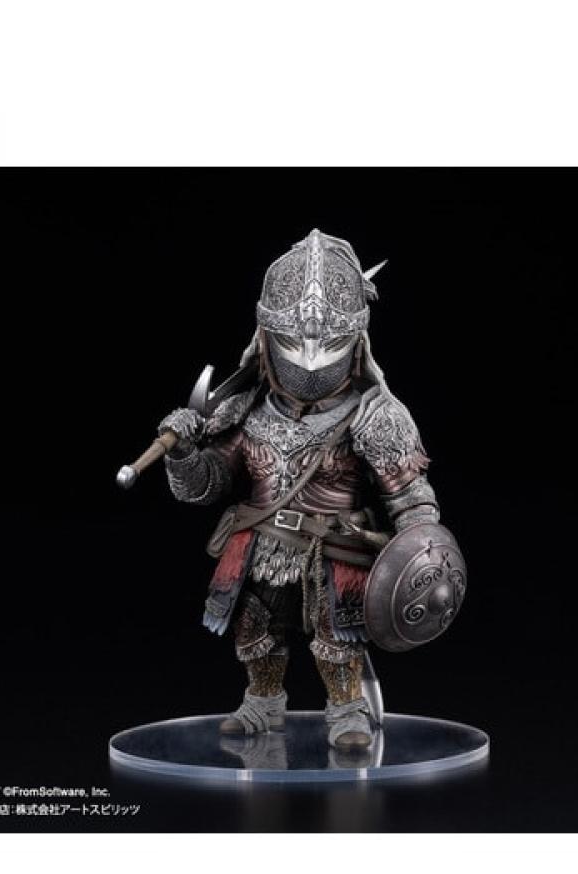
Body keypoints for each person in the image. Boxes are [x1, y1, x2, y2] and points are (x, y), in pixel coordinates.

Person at [158, 230, 442, 750]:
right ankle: (262, 703)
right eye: (293, 345)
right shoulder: (245, 408)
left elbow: (409, 496)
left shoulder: (375, 415)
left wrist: (419, 549)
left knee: (338, 633)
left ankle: (347, 710)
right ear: (266, 338)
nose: (309, 361)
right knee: (253, 626)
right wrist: (182, 454)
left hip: (336, 547)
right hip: (259, 544)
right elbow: (208, 484)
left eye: (328, 346)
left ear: (355, 343)